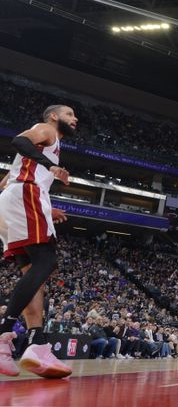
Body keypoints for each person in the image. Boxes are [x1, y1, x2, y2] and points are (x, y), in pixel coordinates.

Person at [0, 105, 77, 379]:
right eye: (70, 114)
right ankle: (3, 333)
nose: (74, 119)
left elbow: (7, 182)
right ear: (54, 116)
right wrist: (51, 167)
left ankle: (36, 342)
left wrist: (46, 206)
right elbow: (19, 141)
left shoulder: (45, 148)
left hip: (17, 199)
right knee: (47, 262)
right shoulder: (46, 131)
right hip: (26, 197)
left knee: (33, 274)